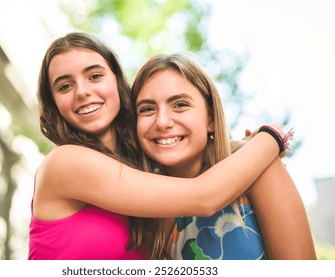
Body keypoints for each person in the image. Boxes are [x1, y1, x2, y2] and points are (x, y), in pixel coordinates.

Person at [28, 32, 288, 260]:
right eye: (64, 86)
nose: (82, 92)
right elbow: (203, 196)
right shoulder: (65, 163)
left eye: (95, 76)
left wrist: (236, 147)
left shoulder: (144, 175)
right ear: (54, 104)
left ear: (117, 82)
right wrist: (270, 137)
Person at [131, 53, 316, 259]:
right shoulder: (142, 206)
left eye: (180, 105)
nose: (162, 122)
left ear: (210, 117)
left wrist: (270, 135)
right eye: (147, 109)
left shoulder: (260, 170)